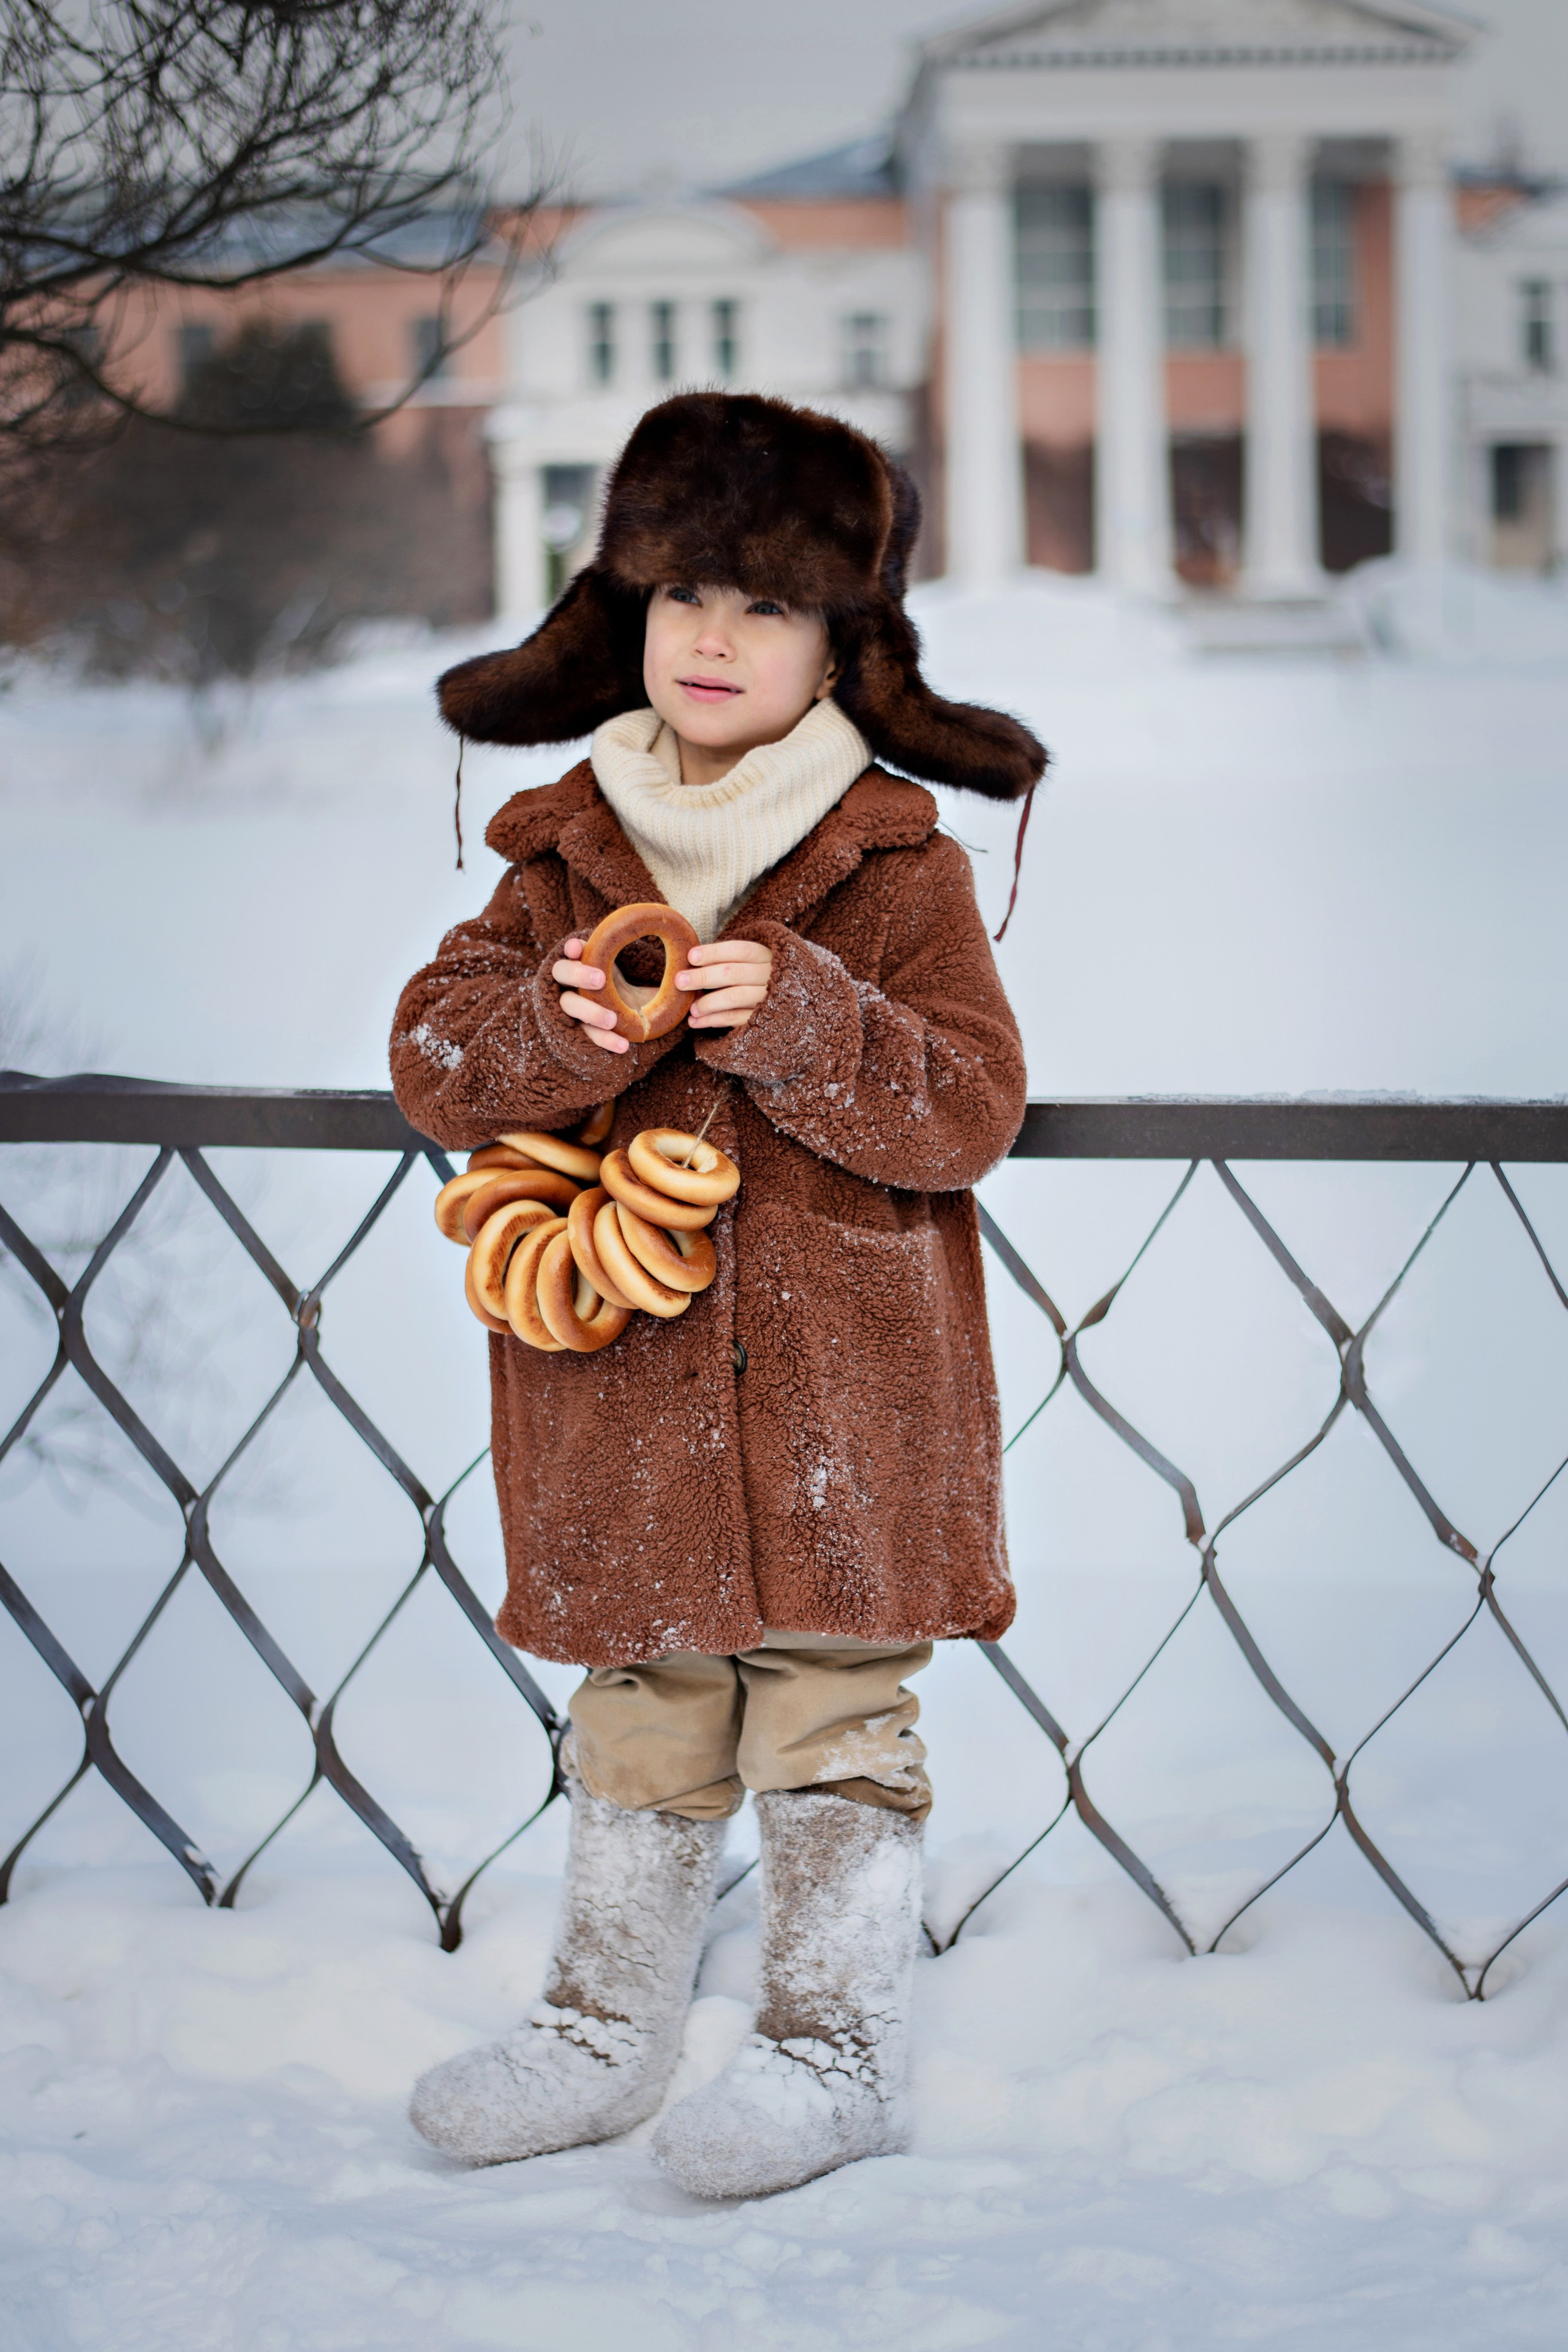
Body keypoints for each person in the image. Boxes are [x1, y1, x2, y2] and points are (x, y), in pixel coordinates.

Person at [389, 391, 1043, 2199]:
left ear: (842, 641)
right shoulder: (558, 847)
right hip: (614, 1373)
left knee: (833, 1701)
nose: (713, 637)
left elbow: (971, 1104)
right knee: (641, 1690)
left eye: (764, 606)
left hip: (847, 1391)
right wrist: (549, 1028)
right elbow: (436, 1059)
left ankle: (833, 2051)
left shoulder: (893, 861)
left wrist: (818, 1022)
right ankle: (604, 2032)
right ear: (626, 613)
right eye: (682, 595)